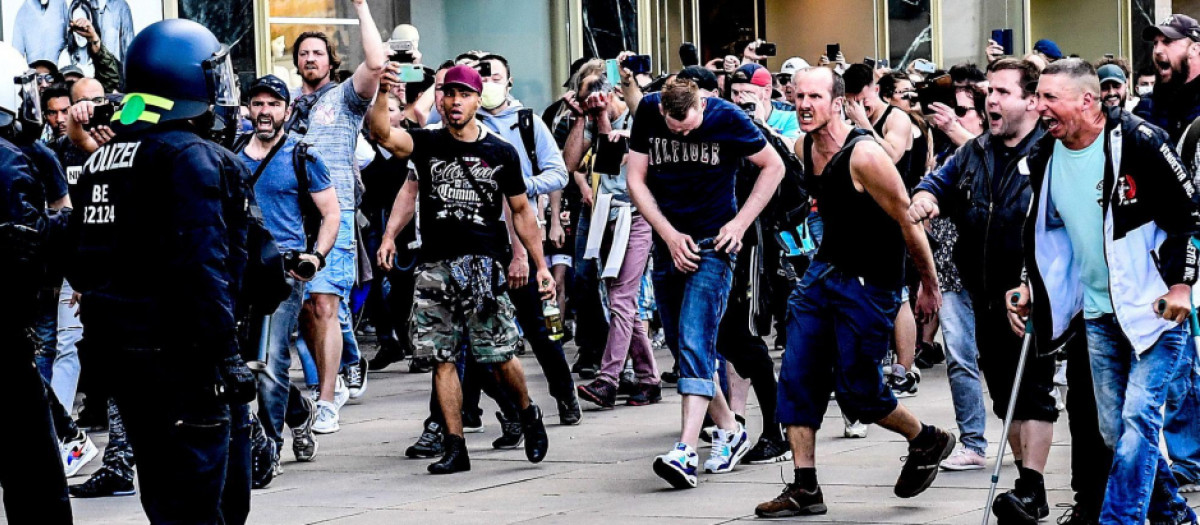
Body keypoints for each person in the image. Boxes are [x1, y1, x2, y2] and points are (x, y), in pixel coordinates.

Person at [67, 19, 255, 524]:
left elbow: (83, 261)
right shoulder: (192, 157)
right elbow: (204, 266)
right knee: (209, 502)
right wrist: (228, 353)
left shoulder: (104, 159)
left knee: (164, 495)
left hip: (126, 358)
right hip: (187, 357)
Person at [1007, 58, 1200, 525]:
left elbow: (1189, 219)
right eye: (1038, 97)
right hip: (1097, 314)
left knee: (1137, 423)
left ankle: (1119, 520)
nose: (1040, 107)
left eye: (1051, 98)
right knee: (1116, 431)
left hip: (1155, 311)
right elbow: (1048, 234)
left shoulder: (1139, 141)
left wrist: (1180, 286)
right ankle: (1175, 515)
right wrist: (1032, 284)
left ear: (1088, 100)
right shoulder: (1044, 156)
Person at [754, 67, 952, 518]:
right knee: (798, 376)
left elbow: (908, 220)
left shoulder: (865, 156)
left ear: (838, 101)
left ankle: (926, 438)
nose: (804, 105)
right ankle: (806, 488)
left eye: (815, 97)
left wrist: (928, 285)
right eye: (798, 96)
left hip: (871, 283)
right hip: (824, 275)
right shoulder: (804, 147)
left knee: (859, 394)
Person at [373, 64, 553, 475]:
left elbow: (522, 212)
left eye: (464, 95)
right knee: (442, 358)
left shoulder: (500, 152)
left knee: (501, 356)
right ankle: (456, 445)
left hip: (482, 267)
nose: (454, 102)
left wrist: (539, 265)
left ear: (477, 100)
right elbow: (384, 134)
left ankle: (527, 412)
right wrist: (383, 92)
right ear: (440, 98)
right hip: (435, 266)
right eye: (448, 94)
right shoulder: (426, 143)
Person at [908, 58, 1058, 522]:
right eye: (988, 91)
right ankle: (1026, 484)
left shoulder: (1050, 151)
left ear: (1032, 101)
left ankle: (1032, 488)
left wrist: (1034, 280)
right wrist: (927, 196)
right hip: (984, 294)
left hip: (1034, 295)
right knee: (1003, 392)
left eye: (1002, 92)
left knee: (1030, 390)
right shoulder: (976, 150)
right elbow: (942, 180)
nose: (990, 99)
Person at [626, 76, 784, 489]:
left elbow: (774, 165)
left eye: (689, 128)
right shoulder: (647, 110)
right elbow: (636, 180)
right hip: (670, 241)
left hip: (715, 242)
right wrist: (667, 234)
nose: (681, 134)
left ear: (701, 105)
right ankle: (730, 429)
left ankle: (685, 449)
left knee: (696, 339)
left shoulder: (726, 117)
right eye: (674, 129)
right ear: (662, 109)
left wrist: (740, 222)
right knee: (681, 345)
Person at [284, 0, 387, 432]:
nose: (311, 58)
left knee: (325, 303)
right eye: (304, 53)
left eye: (318, 53)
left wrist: (361, 8)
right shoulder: (283, 107)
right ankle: (343, 364)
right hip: (292, 217)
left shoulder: (344, 99)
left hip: (336, 212)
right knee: (307, 309)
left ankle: (325, 398)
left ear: (331, 62)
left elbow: (377, 62)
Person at [239, 74, 342, 473]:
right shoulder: (230, 155)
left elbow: (331, 213)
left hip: (282, 271)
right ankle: (298, 413)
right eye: (258, 104)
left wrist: (316, 256)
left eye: (273, 104)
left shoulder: (302, 155)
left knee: (270, 359)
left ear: (286, 110)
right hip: (239, 270)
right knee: (242, 359)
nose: (264, 112)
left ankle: (268, 448)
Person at [474, 53, 583, 427]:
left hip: (521, 236)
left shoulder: (526, 123)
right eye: (480, 77)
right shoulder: (462, 125)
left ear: (509, 82)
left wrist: (521, 189)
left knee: (538, 327)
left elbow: (559, 173)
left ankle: (564, 394)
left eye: (494, 77)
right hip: (478, 241)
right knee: (476, 332)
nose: (486, 84)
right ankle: (475, 413)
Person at [0, 39, 73, 525]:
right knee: (35, 478)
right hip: (3, 342)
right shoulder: (8, 161)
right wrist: (75, 217)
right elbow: (26, 245)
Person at [562, 71, 662, 409]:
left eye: (600, 103)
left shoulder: (641, 118)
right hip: (606, 215)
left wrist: (602, 117)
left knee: (622, 298)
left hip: (638, 216)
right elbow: (569, 164)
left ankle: (608, 379)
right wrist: (580, 120)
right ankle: (648, 379)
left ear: (615, 94)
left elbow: (609, 159)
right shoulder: (591, 118)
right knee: (620, 299)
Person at [842, 63, 921, 398]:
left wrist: (862, 126)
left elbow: (890, 155)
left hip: (895, 214)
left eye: (864, 98)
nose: (861, 105)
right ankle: (874, 364)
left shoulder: (896, 118)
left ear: (875, 89)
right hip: (863, 217)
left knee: (899, 292)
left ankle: (905, 369)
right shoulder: (852, 115)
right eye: (852, 100)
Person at [1135, 14, 1200, 142]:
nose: (1157, 50)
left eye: (1167, 41)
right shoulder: (1146, 108)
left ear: (1194, 49)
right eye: (1155, 43)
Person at [729, 63, 800, 147]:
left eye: (747, 93)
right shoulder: (729, 118)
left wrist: (762, 124)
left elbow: (794, 150)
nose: (739, 100)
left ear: (767, 91)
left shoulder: (791, 117)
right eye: (735, 93)